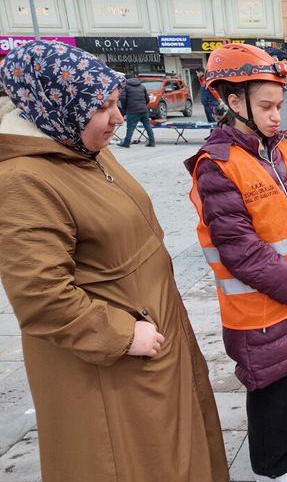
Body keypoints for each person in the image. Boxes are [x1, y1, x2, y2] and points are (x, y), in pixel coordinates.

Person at [0, 40, 228, 481]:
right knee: (134, 463)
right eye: (102, 106)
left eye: (115, 102)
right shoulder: (24, 180)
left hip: (153, 342)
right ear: (56, 106)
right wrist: (123, 334)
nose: (120, 118)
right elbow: (41, 297)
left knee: (177, 453)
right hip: (116, 361)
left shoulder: (83, 150)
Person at [185, 43, 287, 482]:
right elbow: (240, 249)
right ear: (234, 102)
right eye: (266, 107)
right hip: (260, 308)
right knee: (275, 384)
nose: (277, 116)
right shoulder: (217, 165)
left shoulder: (284, 150)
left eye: (280, 106)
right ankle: (273, 465)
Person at [118, 73, 156, 147]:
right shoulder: (142, 86)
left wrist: (125, 108)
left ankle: (126, 143)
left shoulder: (126, 87)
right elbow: (147, 99)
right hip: (144, 110)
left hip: (132, 110)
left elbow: (122, 98)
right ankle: (152, 142)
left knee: (130, 127)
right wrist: (143, 105)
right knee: (147, 126)